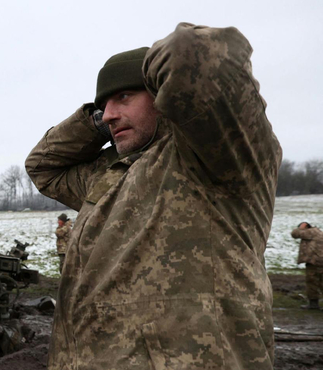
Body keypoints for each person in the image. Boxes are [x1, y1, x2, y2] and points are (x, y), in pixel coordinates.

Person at [25, 23, 281, 369]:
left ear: (163, 96)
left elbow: (196, 52)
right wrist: (94, 121)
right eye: (105, 108)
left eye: (124, 97)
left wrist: (158, 79)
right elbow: (43, 166)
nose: (110, 116)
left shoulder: (213, 160)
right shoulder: (108, 176)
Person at [291, 222, 323, 310]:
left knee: (312, 282)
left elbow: (294, 234)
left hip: (314, 262)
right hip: (319, 261)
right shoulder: (317, 232)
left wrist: (301, 227)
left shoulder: (310, 232)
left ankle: (313, 304)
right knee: (320, 282)